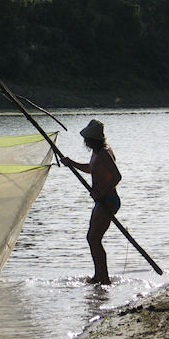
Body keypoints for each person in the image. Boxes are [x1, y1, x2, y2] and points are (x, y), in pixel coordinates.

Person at [61, 119, 122, 285]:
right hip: (101, 200)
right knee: (93, 238)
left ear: (93, 139)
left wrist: (101, 193)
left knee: (94, 238)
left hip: (108, 200)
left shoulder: (103, 152)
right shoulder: (96, 152)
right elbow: (91, 168)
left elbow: (117, 176)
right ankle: (100, 276)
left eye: (87, 139)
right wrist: (71, 163)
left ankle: (103, 278)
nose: (85, 142)